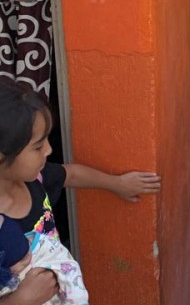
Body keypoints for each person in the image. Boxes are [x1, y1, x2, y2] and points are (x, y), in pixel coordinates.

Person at [0, 79, 161, 304]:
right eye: (37, 146)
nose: (49, 149)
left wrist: (117, 184)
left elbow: (72, 175)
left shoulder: (34, 180)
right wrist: (20, 300)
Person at [0, 215, 87, 304]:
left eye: (27, 251)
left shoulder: (47, 248)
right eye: (19, 260)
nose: (26, 259)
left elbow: (71, 274)